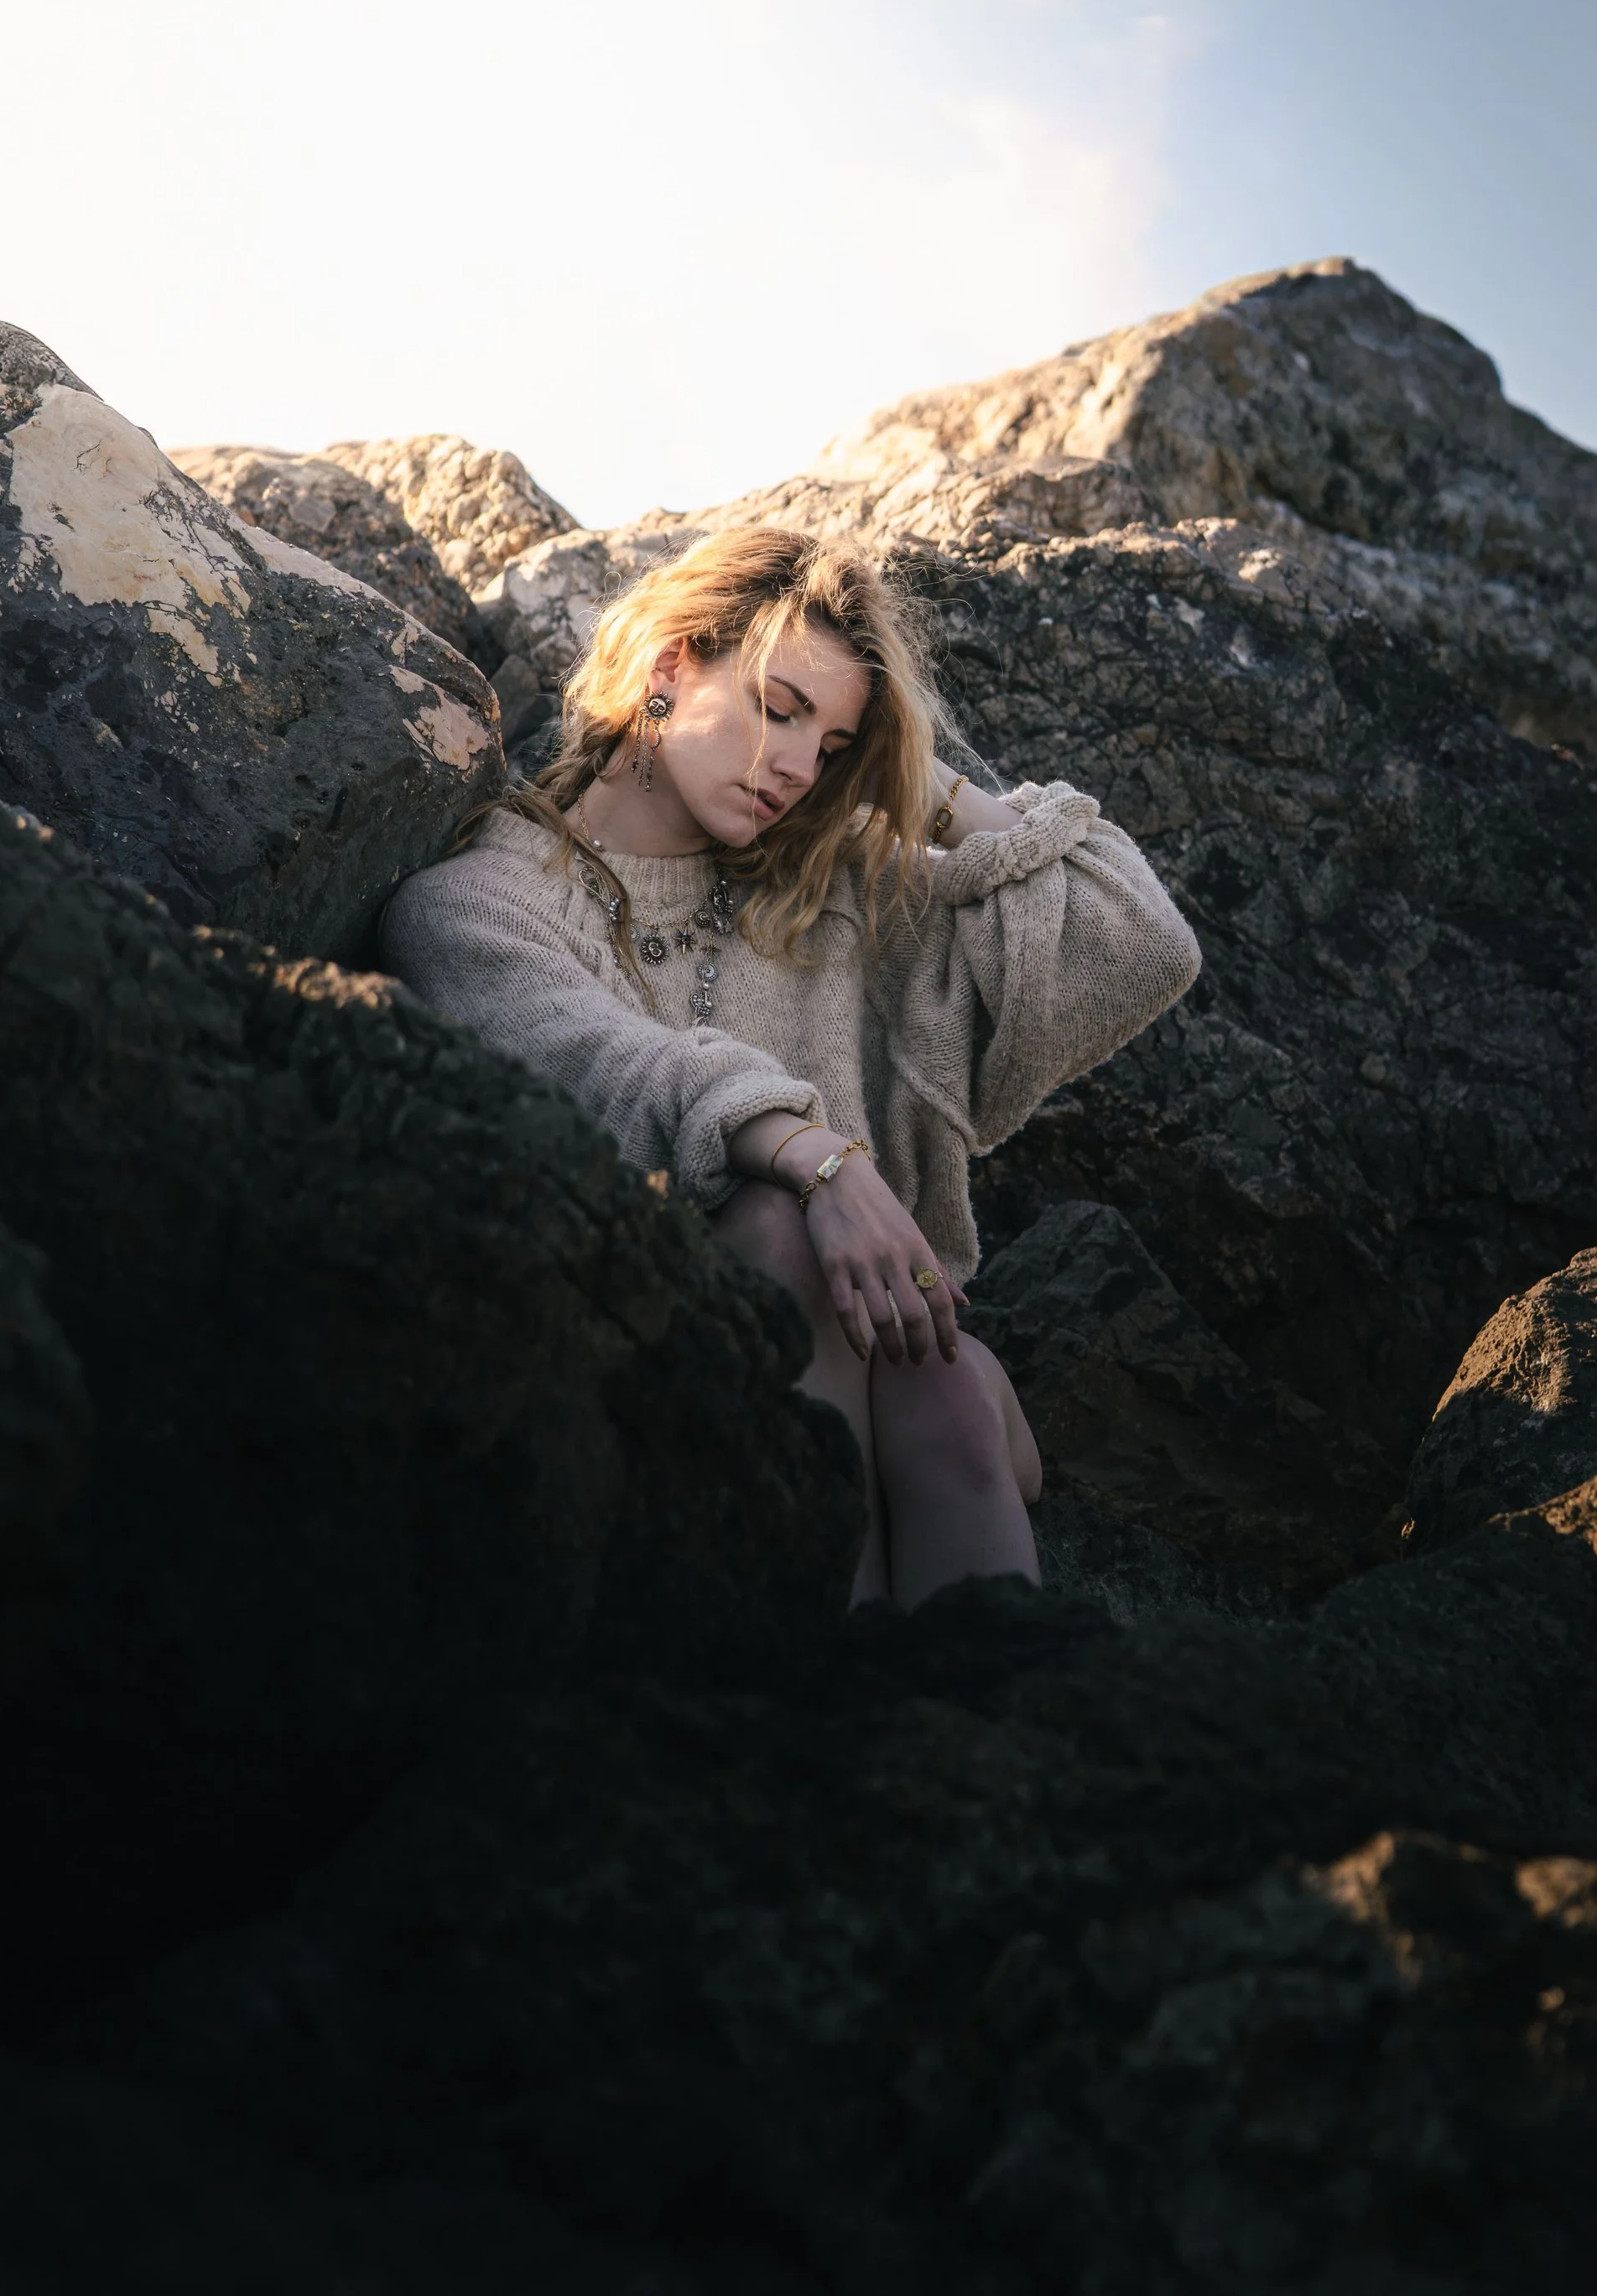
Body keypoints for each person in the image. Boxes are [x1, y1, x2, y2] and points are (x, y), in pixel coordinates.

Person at [382, 527, 1200, 1607]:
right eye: (778, 706)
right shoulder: (484, 896)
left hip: (897, 1375)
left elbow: (1138, 942)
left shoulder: (833, 887)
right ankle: (818, 1700)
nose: (796, 767)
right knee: (779, 1232)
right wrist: (819, 1160)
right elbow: (594, 1061)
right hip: (609, 1383)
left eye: (831, 743)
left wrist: (914, 782)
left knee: (947, 1382)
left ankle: (999, 1744)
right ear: (668, 667)